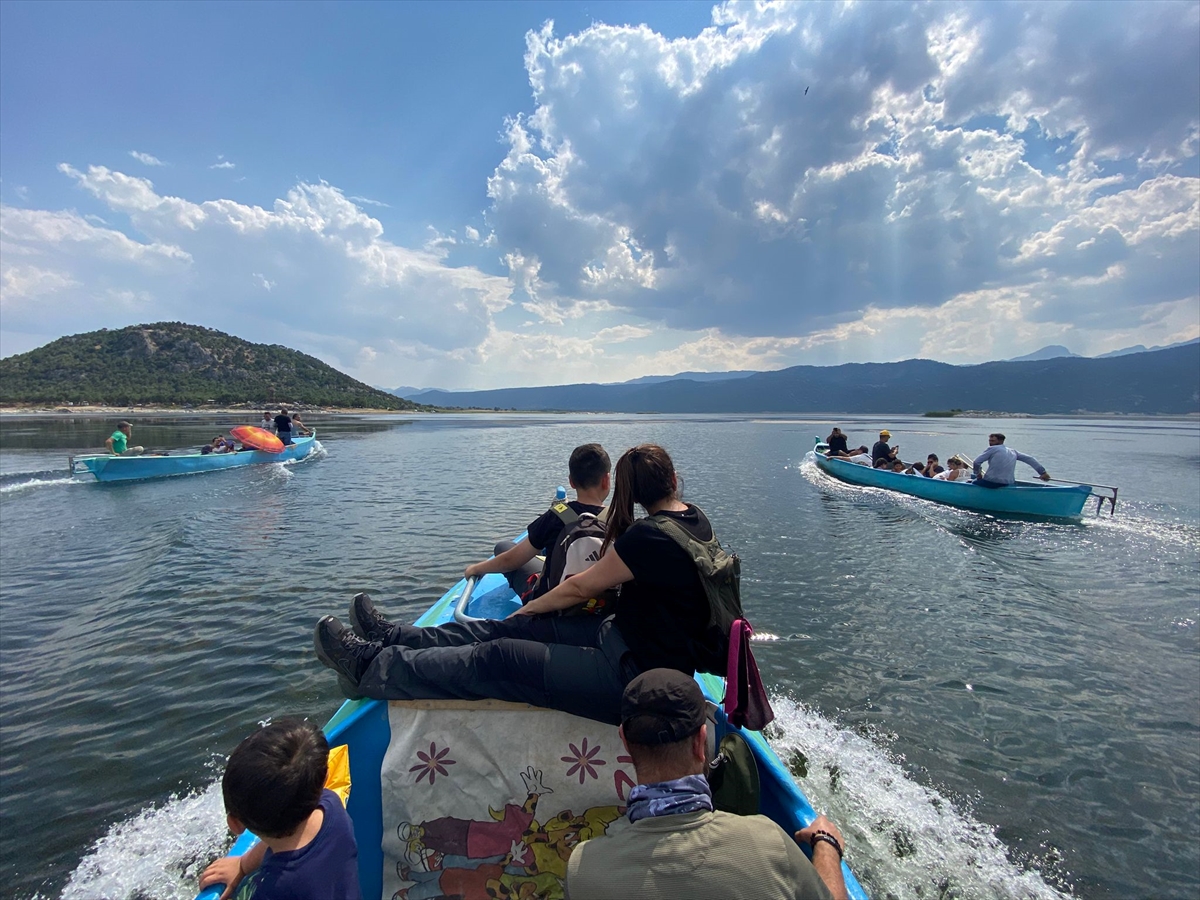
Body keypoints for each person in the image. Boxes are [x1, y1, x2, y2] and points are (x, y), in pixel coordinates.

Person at [312, 443, 731, 726]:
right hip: (621, 641)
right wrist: (526, 616)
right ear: (674, 479)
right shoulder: (694, 519)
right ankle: (392, 637)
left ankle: (368, 666)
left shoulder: (649, 536)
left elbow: (579, 589)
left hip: (636, 678)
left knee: (500, 656)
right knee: (507, 629)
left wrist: (528, 607)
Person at [566, 669, 848, 900]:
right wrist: (826, 844)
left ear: (625, 743)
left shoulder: (583, 870)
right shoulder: (767, 842)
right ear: (701, 742)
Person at [198, 718, 361, 900]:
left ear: (235, 824)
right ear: (324, 779)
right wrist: (243, 865)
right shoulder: (332, 805)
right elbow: (280, 840)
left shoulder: (272, 891)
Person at [464, 443, 611, 602]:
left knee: (503, 547)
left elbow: (511, 561)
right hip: (602, 603)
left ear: (571, 482)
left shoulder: (557, 514)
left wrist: (476, 568)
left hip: (551, 603)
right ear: (606, 480)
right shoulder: (618, 517)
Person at [972, 433, 1050, 487]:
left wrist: (978, 473)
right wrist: (1043, 472)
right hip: (1008, 482)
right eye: (989, 441)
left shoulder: (992, 449)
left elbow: (976, 462)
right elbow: (1030, 459)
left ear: (1001, 441)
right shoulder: (1013, 451)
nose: (990, 443)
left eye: (993, 441)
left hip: (992, 482)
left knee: (972, 482)